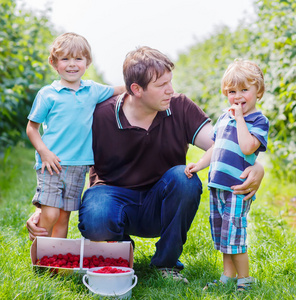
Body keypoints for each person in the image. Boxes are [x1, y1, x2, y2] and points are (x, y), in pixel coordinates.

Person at [27, 47, 264, 284]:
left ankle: (166, 263)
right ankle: (120, 254)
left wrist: (257, 167)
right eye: (162, 85)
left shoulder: (179, 106)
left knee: (184, 179)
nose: (170, 90)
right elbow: (64, 150)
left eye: (170, 82)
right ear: (136, 89)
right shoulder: (102, 115)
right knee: (96, 214)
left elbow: (222, 144)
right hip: (113, 197)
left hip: (160, 201)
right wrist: (46, 205)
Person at [26, 32, 125, 239]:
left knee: (63, 218)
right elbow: (31, 128)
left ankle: (55, 263)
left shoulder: (92, 90)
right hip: (52, 163)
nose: (72, 64)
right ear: (54, 63)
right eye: (65, 59)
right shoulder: (48, 94)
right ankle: (40, 258)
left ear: (87, 62)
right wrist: (44, 153)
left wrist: (142, 84)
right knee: (50, 213)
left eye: (78, 58)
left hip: (79, 165)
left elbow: (120, 89)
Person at [185, 59, 269, 290]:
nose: (238, 96)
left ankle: (245, 279)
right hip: (218, 186)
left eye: (244, 90)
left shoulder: (258, 121)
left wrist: (240, 118)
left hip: (237, 188)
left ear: (258, 92)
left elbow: (247, 147)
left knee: (235, 234)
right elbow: (215, 148)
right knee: (223, 234)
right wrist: (199, 165)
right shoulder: (224, 118)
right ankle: (228, 275)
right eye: (232, 91)